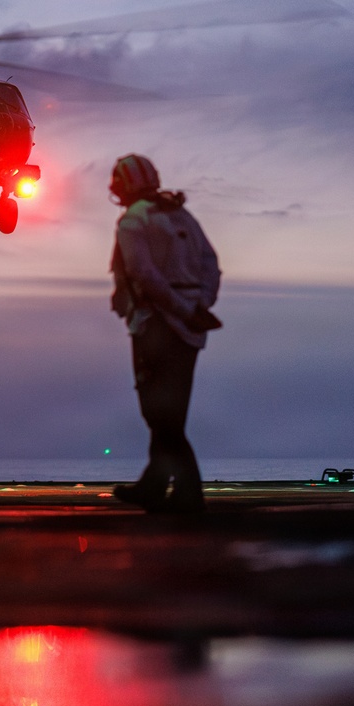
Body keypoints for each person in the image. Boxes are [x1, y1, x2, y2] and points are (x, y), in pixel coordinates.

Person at [109, 153, 221, 514]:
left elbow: (143, 274)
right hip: (189, 329)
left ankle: (188, 490)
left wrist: (181, 308)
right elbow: (211, 265)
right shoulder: (182, 215)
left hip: (154, 325)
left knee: (159, 413)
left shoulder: (132, 221)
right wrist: (199, 304)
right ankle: (155, 483)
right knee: (173, 410)